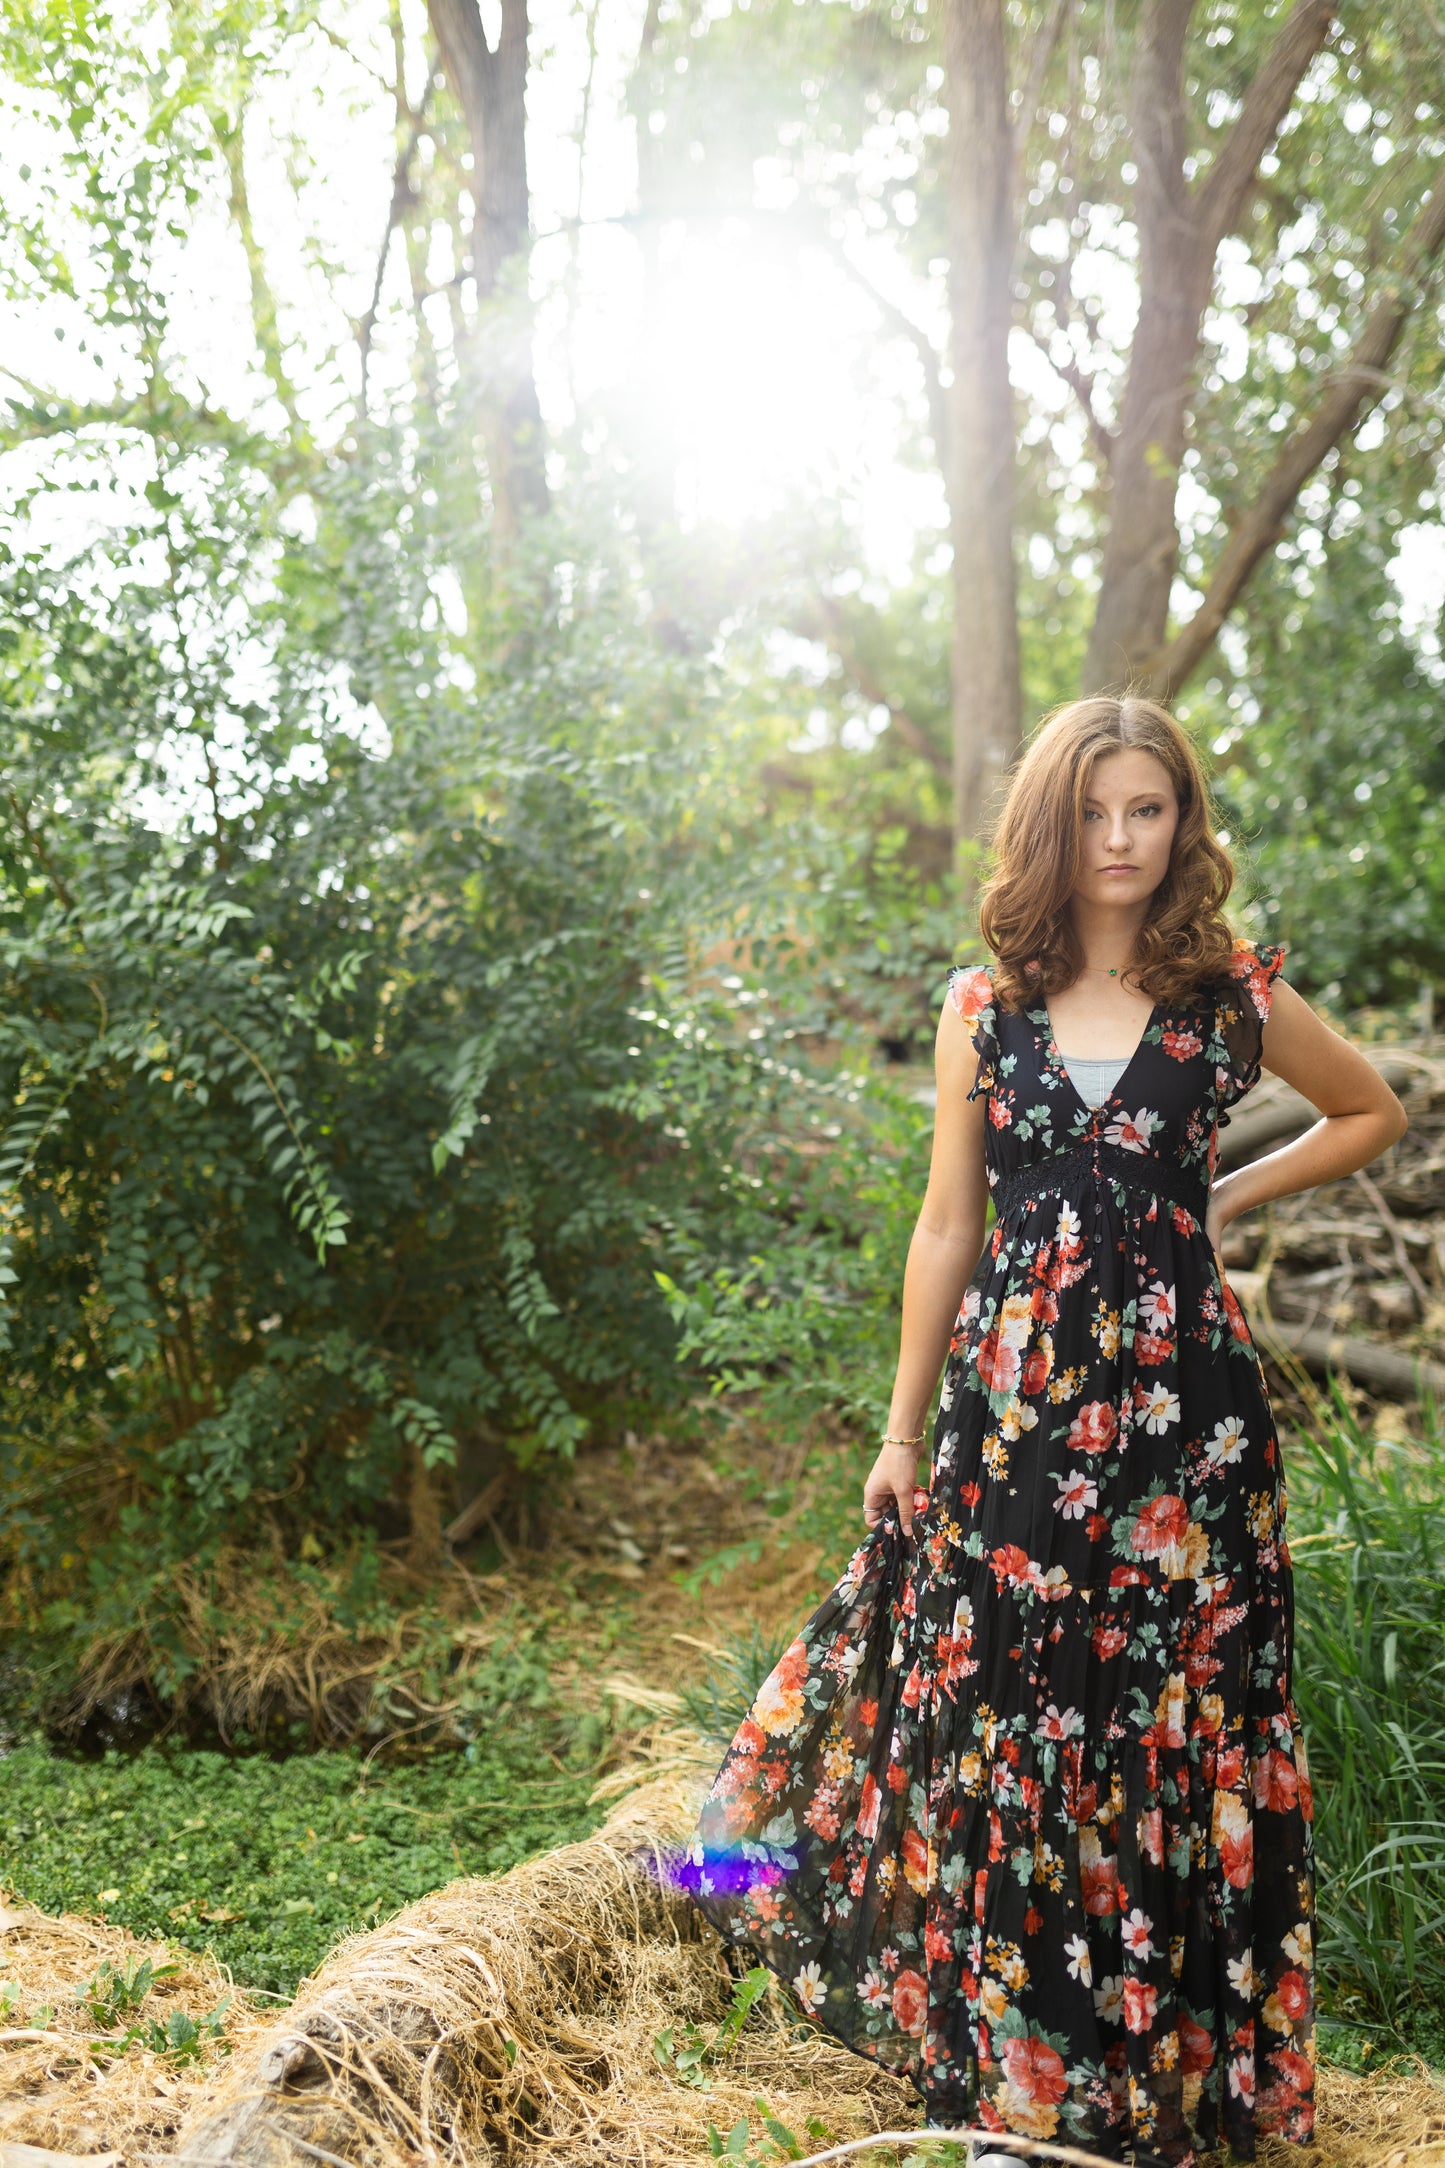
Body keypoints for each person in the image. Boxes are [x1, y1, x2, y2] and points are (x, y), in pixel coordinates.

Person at [679, 695, 1409, 2168]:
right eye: (1094, 812)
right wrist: (898, 1432)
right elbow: (947, 1225)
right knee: (1014, 1714)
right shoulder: (980, 1007)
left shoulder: (1234, 996)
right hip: (1011, 1417)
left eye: (1147, 810)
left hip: (1183, 1427)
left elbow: (1369, 1112)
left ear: (1179, 822)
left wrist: (1216, 1202)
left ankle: (1162, 2083)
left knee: (1162, 1715)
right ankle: (1019, 2095)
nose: (1122, 839)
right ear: (1050, 825)